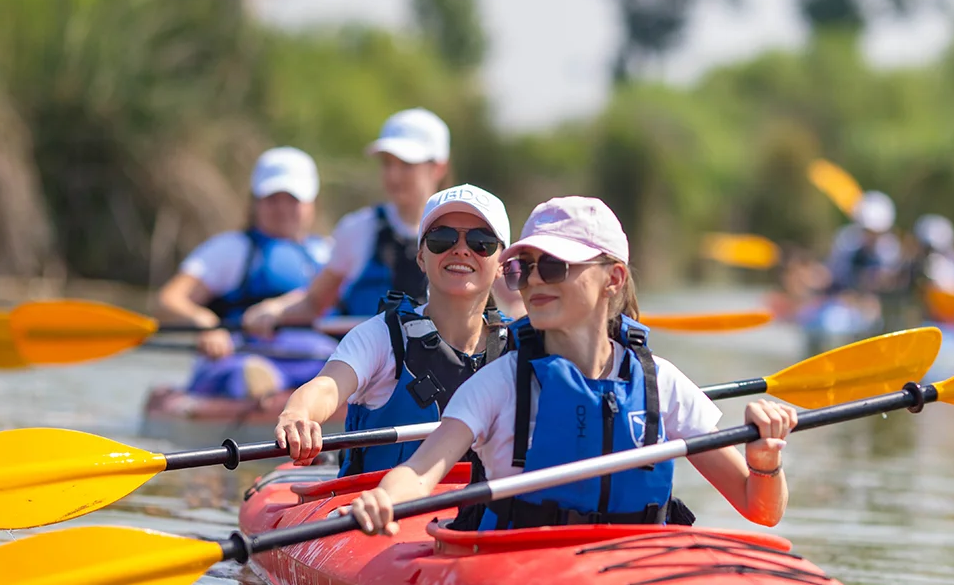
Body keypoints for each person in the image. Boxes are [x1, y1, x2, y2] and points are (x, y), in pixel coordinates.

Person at [334, 196, 799, 536]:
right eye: (524, 268)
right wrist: (382, 499)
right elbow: (420, 473)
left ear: (612, 280)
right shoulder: (500, 383)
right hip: (518, 571)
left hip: (628, 568)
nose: (534, 280)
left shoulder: (662, 384)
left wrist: (765, 463)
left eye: (554, 267)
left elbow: (760, 510)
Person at [274, 184, 513, 479]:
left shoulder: (519, 345)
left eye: (481, 241)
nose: (461, 250)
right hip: (382, 511)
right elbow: (326, 387)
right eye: (442, 238)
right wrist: (298, 414)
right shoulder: (381, 337)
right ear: (421, 257)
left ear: (502, 263)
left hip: (488, 515)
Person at [242, 108, 452, 336]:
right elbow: (314, 302)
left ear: (439, 167)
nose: (394, 176)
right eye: (387, 163)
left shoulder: (468, 235)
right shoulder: (359, 228)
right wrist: (274, 310)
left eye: (406, 165)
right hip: (371, 367)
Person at [156, 147, 336, 399]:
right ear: (255, 202)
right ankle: (261, 387)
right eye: (273, 199)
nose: (282, 208)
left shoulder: (330, 253)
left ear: (311, 203)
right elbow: (169, 301)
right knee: (244, 374)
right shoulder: (232, 249)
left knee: (344, 367)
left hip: (314, 358)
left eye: (292, 199)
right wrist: (206, 325)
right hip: (241, 354)